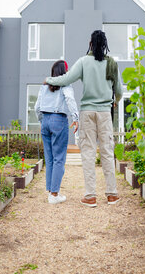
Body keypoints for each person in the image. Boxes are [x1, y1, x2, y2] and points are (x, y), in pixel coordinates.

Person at [45, 30, 123, 207]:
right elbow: (119, 91)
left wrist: (49, 79)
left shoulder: (83, 61)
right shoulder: (112, 64)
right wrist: (115, 102)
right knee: (107, 152)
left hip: (87, 112)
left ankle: (90, 196)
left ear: (90, 43)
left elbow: (66, 79)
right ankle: (111, 195)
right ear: (104, 44)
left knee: (88, 153)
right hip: (104, 113)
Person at [35, 60, 79, 204]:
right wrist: (75, 117)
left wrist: (42, 121)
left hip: (45, 120)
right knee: (59, 158)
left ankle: (51, 191)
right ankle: (54, 195)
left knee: (49, 158)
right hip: (58, 119)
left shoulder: (44, 86)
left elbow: (37, 106)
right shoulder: (65, 84)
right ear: (64, 72)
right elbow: (70, 99)